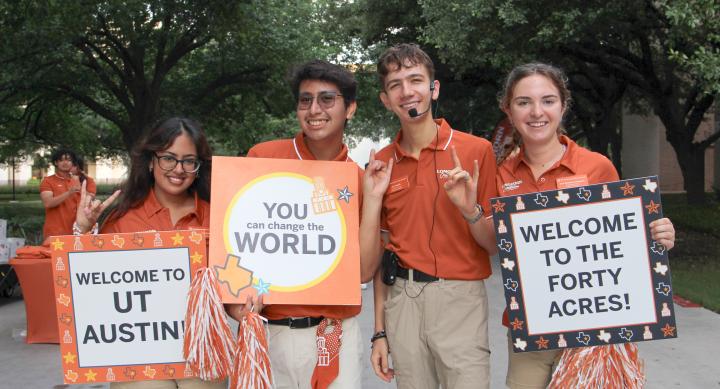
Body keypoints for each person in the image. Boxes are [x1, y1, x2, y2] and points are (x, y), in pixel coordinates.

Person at [495, 62, 676, 389]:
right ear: (509, 110)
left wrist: (656, 235)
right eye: (524, 102)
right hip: (530, 328)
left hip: (592, 332)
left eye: (548, 100)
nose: (537, 111)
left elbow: (623, 244)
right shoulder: (502, 174)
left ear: (563, 106)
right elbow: (492, 245)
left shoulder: (597, 167)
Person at [227, 59, 374, 389]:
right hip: (269, 330)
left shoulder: (360, 181)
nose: (314, 109)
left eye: (326, 99)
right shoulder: (262, 159)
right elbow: (235, 238)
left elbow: (364, 271)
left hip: (334, 334)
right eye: (305, 100)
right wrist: (234, 299)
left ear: (350, 108)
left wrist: (375, 198)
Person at [364, 43, 498, 389]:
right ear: (386, 99)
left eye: (415, 80)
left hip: (460, 298)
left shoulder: (475, 150)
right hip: (403, 300)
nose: (407, 92)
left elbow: (494, 244)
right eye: (395, 85)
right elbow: (382, 254)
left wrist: (470, 210)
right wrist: (379, 331)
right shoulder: (381, 162)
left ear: (433, 88)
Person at [75, 117, 224, 389]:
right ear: (151, 161)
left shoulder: (219, 217)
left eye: (189, 161)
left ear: (198, 167)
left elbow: (235, 280)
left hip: (203, 348)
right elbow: (90, 293)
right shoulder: (122, 220)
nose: (178, 169)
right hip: (139, 352)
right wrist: (83, 232)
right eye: (169, 158)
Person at [40, 148, 95, 243]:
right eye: (61, 160)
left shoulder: (77, 180)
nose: (65, 163)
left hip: (77, 232)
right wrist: (69, 193)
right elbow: (48, 203)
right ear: (56, 162)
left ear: (73, 163)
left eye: (69, 160)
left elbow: (88, 201)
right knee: (56, 258)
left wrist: (84, 192)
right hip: (55, 233)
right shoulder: (48, 181)